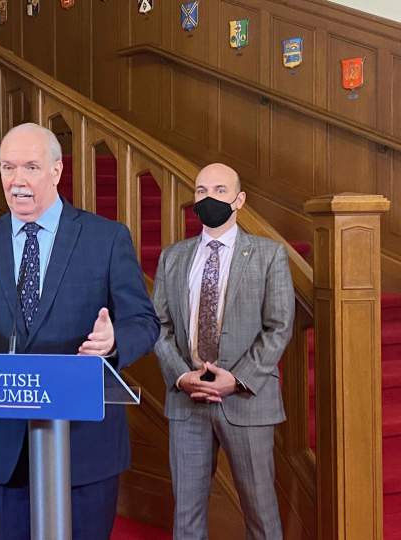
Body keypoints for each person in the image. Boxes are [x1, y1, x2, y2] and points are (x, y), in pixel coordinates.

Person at [0, 123, 160, 539]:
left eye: (30, 167)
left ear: (56, 171)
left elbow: (144, 322)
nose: (17, 180)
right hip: (6, 449)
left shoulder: (105, 238)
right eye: (8, 167)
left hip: (84, 446)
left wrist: (114, 340)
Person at [152, 163, 294, 540]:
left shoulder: (268, 255)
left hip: (246, 400)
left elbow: (279, 326)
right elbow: (159, 325)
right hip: (187, 400)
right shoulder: (173, 257)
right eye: (201, 191)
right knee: (186, 517)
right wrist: (182, 375)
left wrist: (237, 379)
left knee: (261, 515)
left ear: (239, 200)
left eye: (219, 190)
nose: (209, 198)